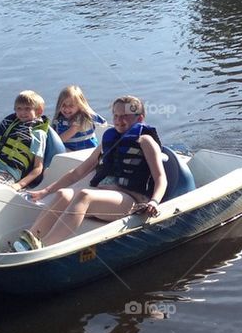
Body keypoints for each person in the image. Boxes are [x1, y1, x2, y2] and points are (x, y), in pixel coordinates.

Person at [13, 95, 167, 251]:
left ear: (139, 118)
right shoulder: (109, 140)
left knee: (84, 195)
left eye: (125, 116)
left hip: (131, 202)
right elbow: (78, 172)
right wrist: (45, 191)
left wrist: (154, 202)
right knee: (63, 195)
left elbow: (160, 178)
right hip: (103, 199)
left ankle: (45, 248)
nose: (120, 120)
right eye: (116, 116)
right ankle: (27, 242)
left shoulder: (145, 141)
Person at [51, 85, 107, 152]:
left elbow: (104, 124)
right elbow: (56, 139)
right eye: (63, 105)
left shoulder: (85, 117)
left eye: (71, 106)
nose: (66, 109)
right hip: (69, 152)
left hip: (87, 152)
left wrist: (88, 124)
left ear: (80, 106)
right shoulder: (59, 120)